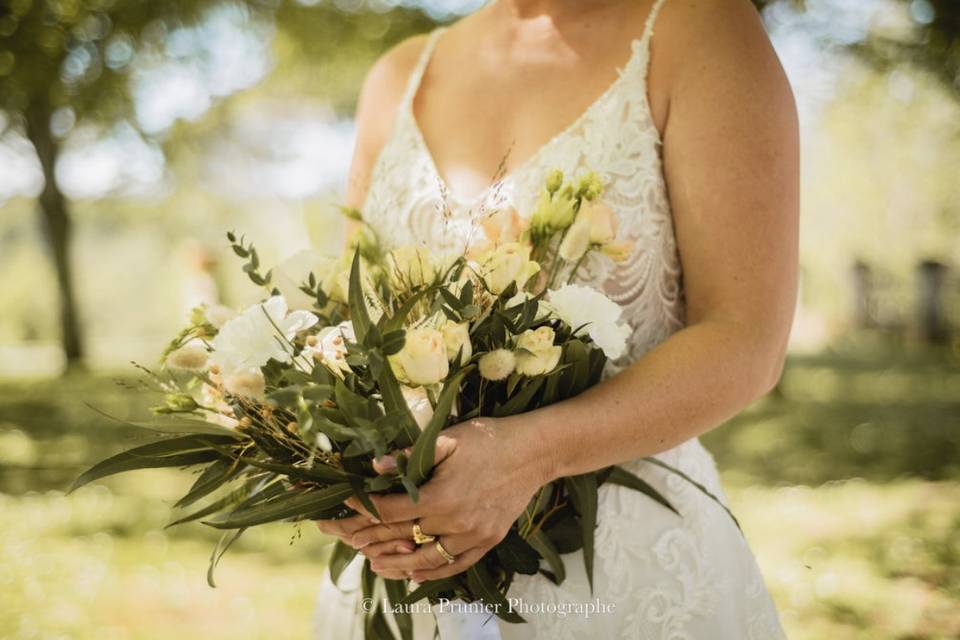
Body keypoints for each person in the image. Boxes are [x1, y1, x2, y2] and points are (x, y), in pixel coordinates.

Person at [314, 0, 799, 637]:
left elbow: (746, 339)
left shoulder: (700, 28)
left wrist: (530, 455)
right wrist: (332, 464)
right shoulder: (398, 74)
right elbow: (352, 321)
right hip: (400, 578)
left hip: (620, 572)